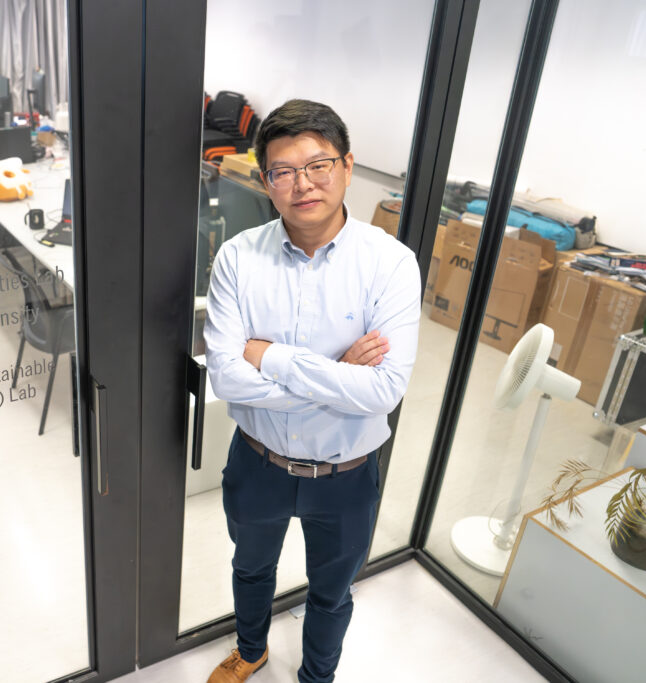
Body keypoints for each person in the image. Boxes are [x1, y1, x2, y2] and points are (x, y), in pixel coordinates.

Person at [203, 99, 421, 683]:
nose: (303, 184)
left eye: (318, 165)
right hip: (258, 463)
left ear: (347, 166)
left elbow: (384, 392)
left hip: (347, 474)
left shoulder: (391, 264)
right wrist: (340, 375)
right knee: (251, 570)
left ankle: (316, 678)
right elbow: (226, 378)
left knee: (332, 593)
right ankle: (251, 651)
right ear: (265, 181)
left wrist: (270, 356)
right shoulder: (237, 259)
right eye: (283, 171)